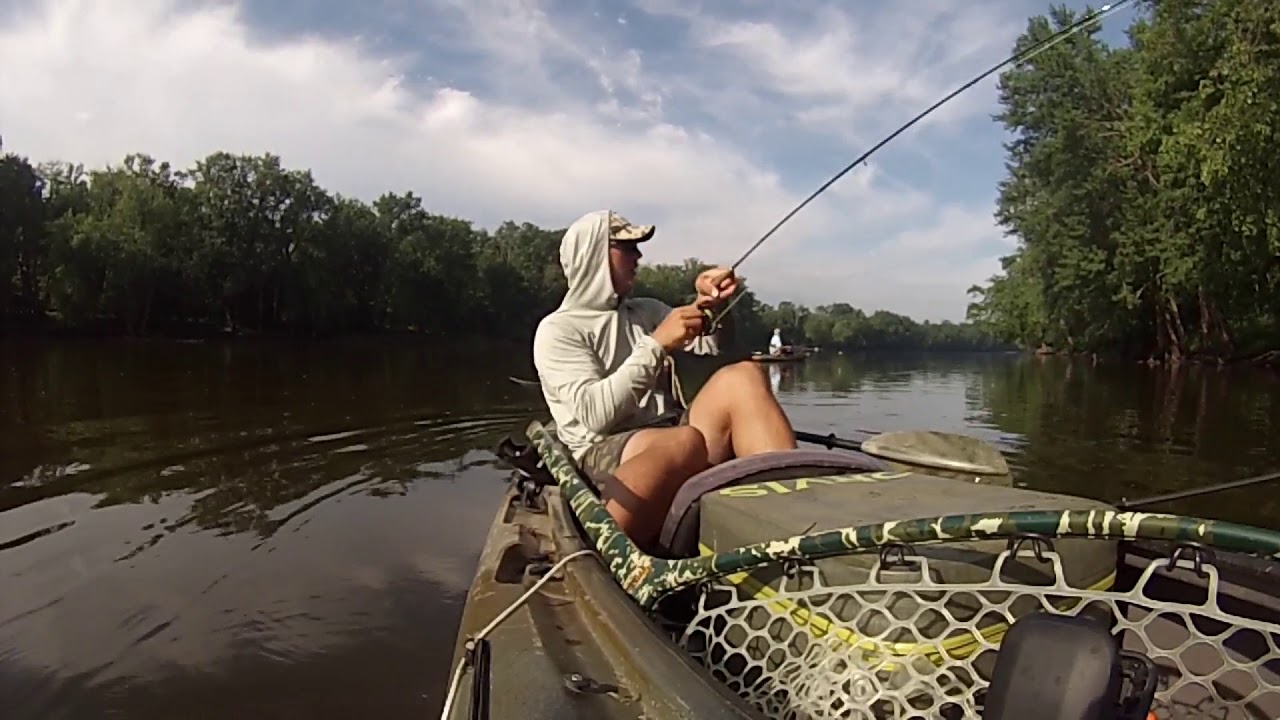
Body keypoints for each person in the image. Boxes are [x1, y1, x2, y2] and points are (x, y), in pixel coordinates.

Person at [533, 209, 797, 551]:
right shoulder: (558, 330)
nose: (638, 256)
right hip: (602, 451)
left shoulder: (646, 310)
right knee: (681, 441)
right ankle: (611, 552)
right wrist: (657, 344)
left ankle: (791, 520)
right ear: (593, 255)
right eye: (627, 248)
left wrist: (713, 306)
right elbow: (596, 417)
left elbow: (716, 345)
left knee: (744, 376)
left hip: (675, 439)